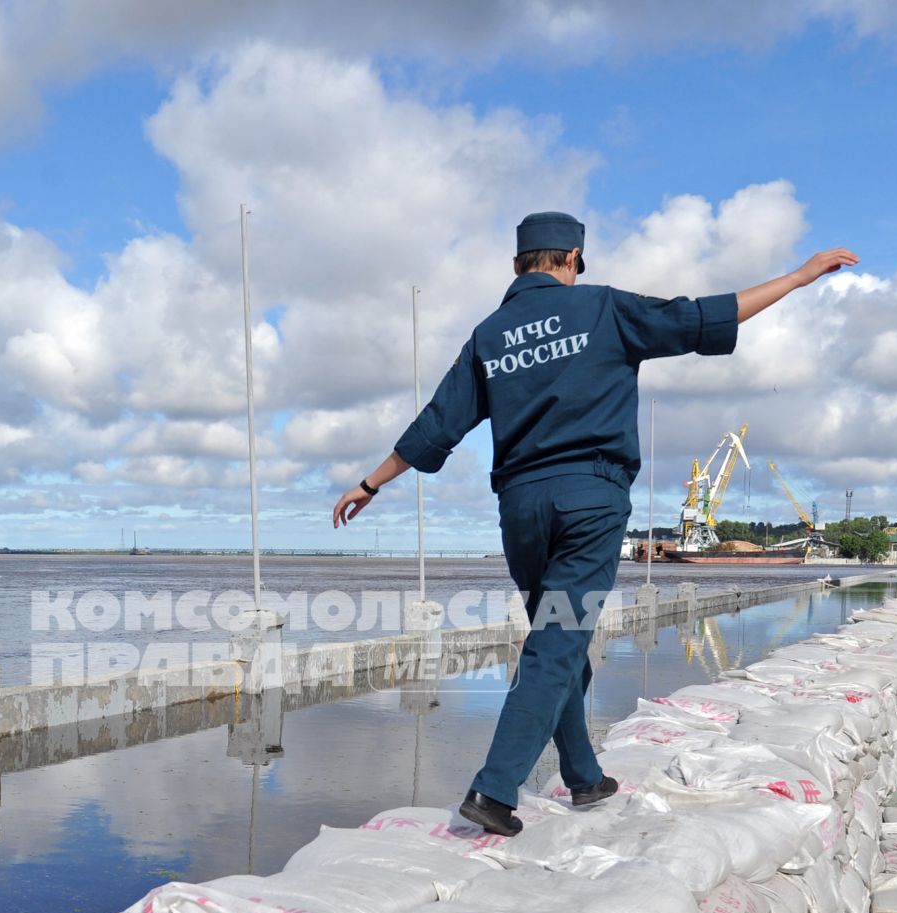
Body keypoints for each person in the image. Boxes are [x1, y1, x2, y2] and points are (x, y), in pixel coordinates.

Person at [332, 211, 856, 836]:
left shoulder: (490, 334)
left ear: (518, 264)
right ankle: (496, 789)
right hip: (589, 498)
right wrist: (798, 277)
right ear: (574, 258)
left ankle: (584, 777)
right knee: (559, 640)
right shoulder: (604, 309)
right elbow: (702, 316)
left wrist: (371, 482)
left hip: (520, 509)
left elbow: (438, 420)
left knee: (560, 639)